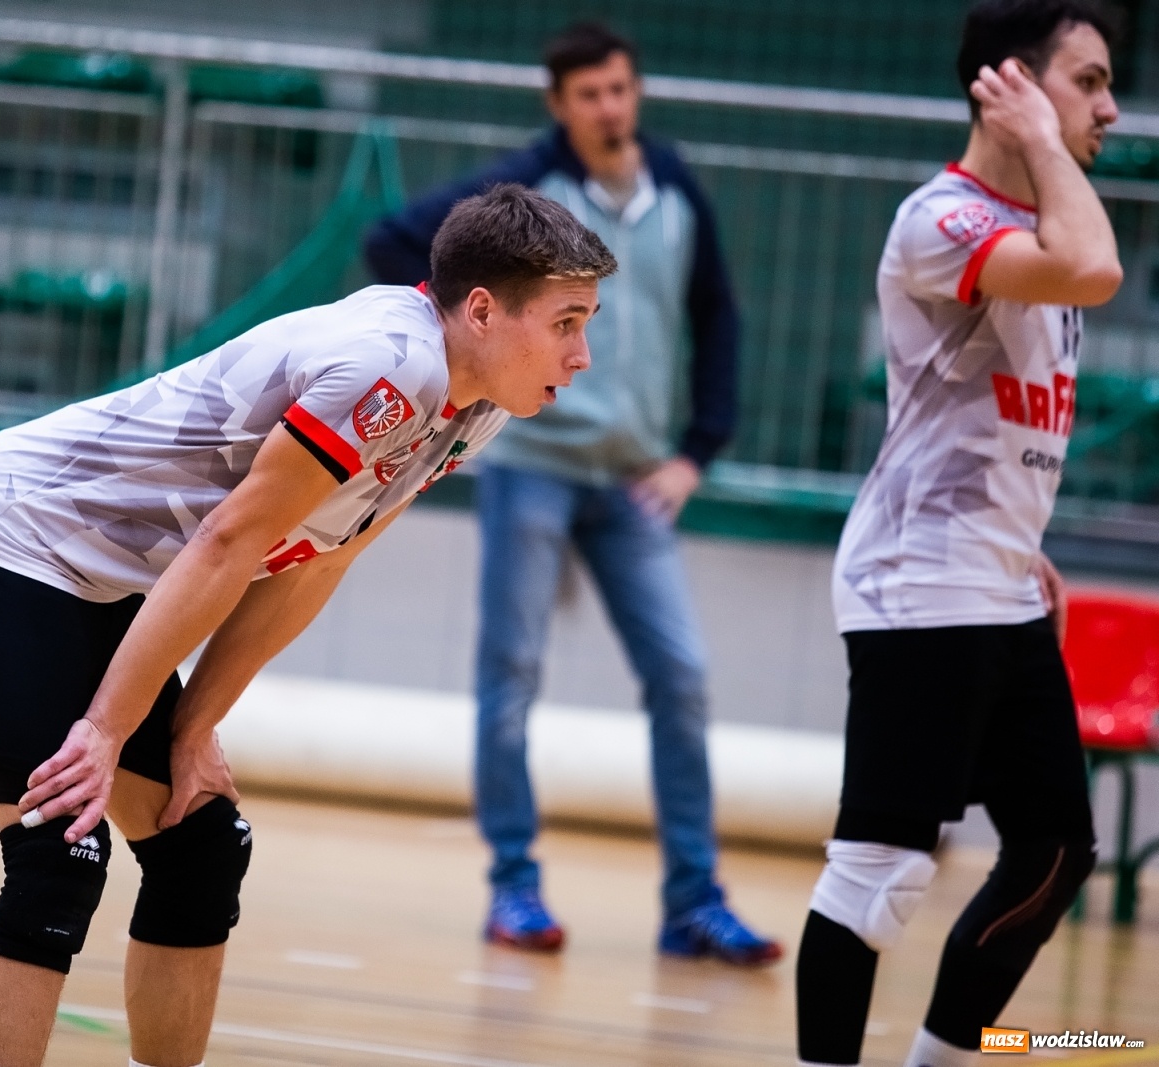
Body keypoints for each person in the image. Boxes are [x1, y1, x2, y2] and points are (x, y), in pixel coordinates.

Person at [0, 184, 615, 1067]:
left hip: (107, 579)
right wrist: (105, 728)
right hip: (8, 539)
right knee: (62, 852)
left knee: (202, 843)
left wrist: (193, 729)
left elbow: (319, 558)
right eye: (567, 322)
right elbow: (227, 542)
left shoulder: (481, 405)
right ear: (481, 310)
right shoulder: (393, 368)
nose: (582, 353)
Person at [365, 22, 777, 963]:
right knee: (509, 681)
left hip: (635, 481)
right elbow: (388, 240)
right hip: (531, 468)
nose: (610, 108)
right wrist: (454, 385)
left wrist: (698, 450)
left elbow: (719, 318)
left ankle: (693, 903)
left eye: (621, 89)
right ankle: (514, 889)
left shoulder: (675, 192)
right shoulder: (524, 197)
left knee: (682, 677)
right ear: (559, 105)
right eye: (589, 94)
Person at [795, 3, 1123, 1065]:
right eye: (1087, 80)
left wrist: (1020, 535)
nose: (1110, 107)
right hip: (918, 583)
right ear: (1012, 84)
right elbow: (1093, 268)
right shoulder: (940, 219)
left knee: (1053, 850)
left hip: (997, 579)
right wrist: (1036, 138)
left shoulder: (1034, 226)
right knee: (881, 865)